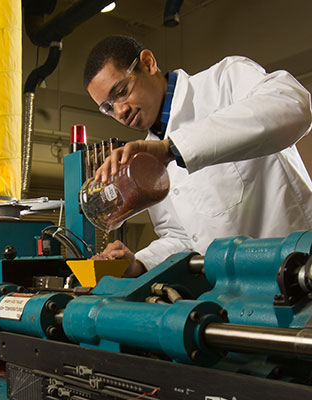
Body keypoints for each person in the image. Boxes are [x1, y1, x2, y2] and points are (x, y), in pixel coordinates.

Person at [83, 35, 312, 276]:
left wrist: (172, 148)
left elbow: (294, 104)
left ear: (148, 63)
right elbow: (181, 237)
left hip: (299, 272)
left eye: (120, 91)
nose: (120, 110)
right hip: (233, 292)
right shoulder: (148, 155)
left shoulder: (223, 83)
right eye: (107, 107)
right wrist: (139, 263)